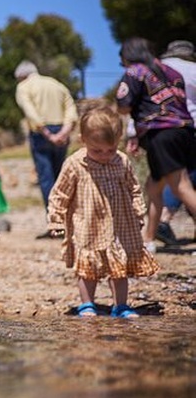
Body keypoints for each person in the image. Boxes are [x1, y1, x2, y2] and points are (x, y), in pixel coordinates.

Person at [46, 106, 159, 318]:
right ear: (82, 140)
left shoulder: (121, 160)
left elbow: (133, 187)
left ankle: (121, 305)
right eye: (97, 151)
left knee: (119, 267)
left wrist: (138, 211)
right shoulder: (75, 164)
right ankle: (87, 304)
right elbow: (59, 194)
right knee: (88, 268)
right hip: (87, 224)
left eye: (111, 149)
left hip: (120, 224)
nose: (105, 155)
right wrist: (56, 221)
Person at [116, 37, 196, 253]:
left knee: (182, 187)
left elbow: (123, 106)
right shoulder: (171, 72)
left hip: (160, 134)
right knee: (154, 186)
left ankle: (148, 239)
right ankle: (148, 239)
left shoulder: (135, 72)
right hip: (185, 131)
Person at [14, 60, 79, 238]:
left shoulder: (24, 87)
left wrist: (47, 133)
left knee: (46, 178)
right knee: (61, 178)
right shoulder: (56, 84)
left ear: (21, 76)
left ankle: (56, 225)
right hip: (62, 131)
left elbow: (30, 111)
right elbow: (71, 107)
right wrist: (64, 131)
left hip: (41, 134)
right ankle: (67, 223)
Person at [155, 40, 196, 245]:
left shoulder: (152, 70)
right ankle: (163, 218)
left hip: (160, 130)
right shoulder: (193, 70)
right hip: (190, 127)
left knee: (173, 176)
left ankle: (162, 219)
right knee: (185, 178)